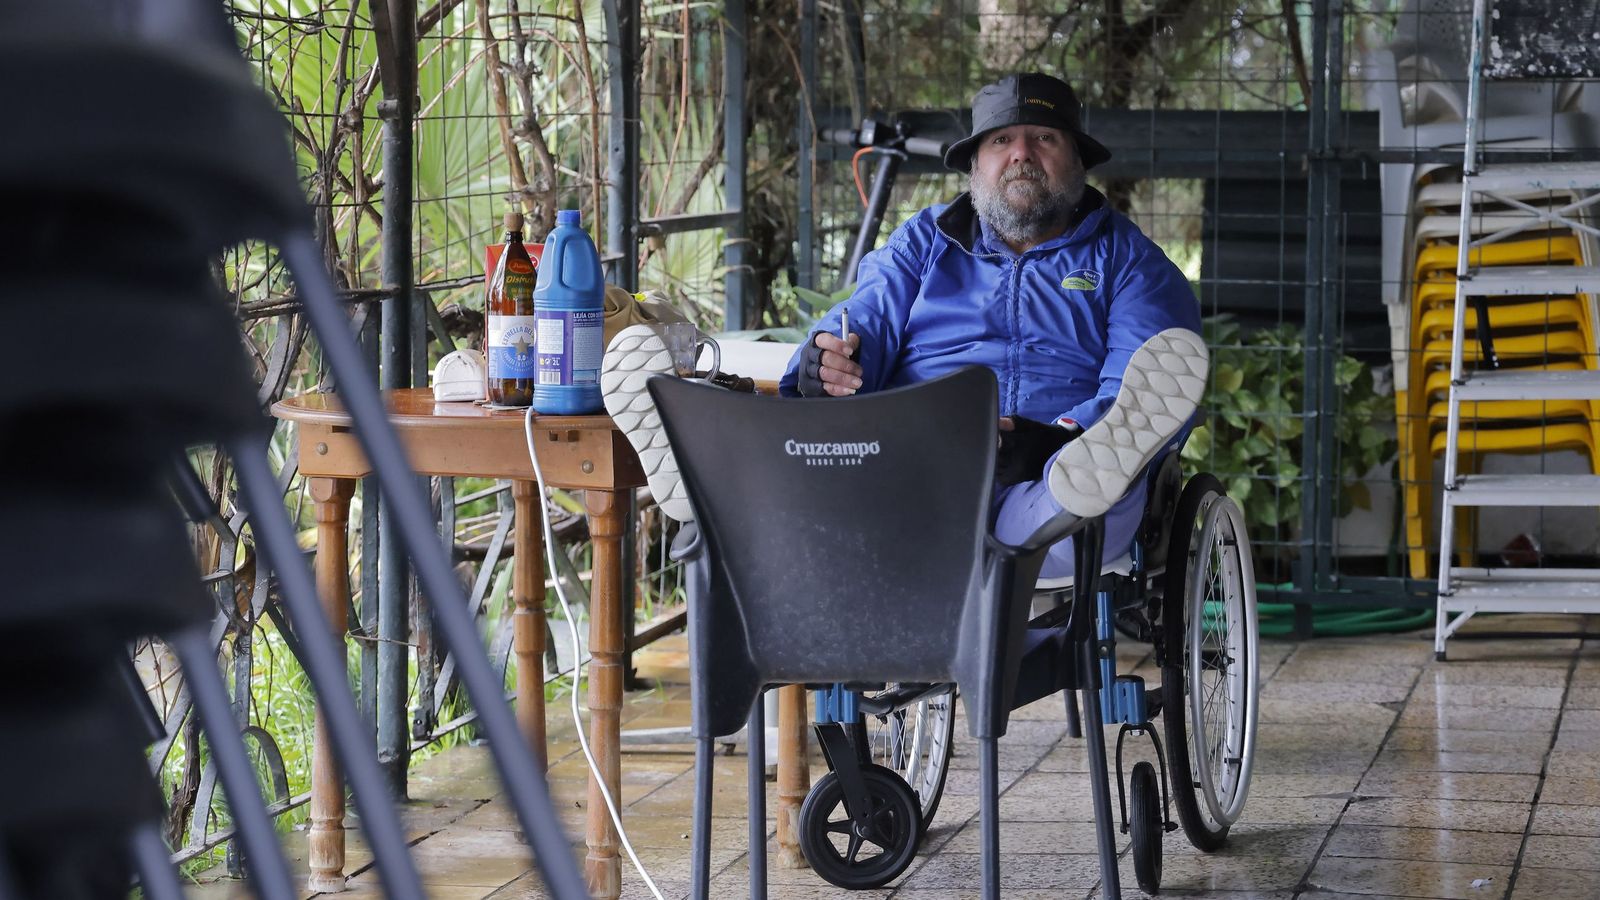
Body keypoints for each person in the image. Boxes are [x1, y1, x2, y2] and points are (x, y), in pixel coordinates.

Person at [603, 72, 1207, 578]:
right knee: (840, 457)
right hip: (920, 466)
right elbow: (860, 320)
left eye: (1044, 137)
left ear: (1078, 160)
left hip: (1053, 482)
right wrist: (823, 360)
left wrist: (1047, 442)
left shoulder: (1130, 262)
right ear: (975, 165)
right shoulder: (924, 243)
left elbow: (1140, 375)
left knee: (1076, 493)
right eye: (1001, 140)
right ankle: (710, 479)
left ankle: (1079, 462)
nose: (1021, 153)